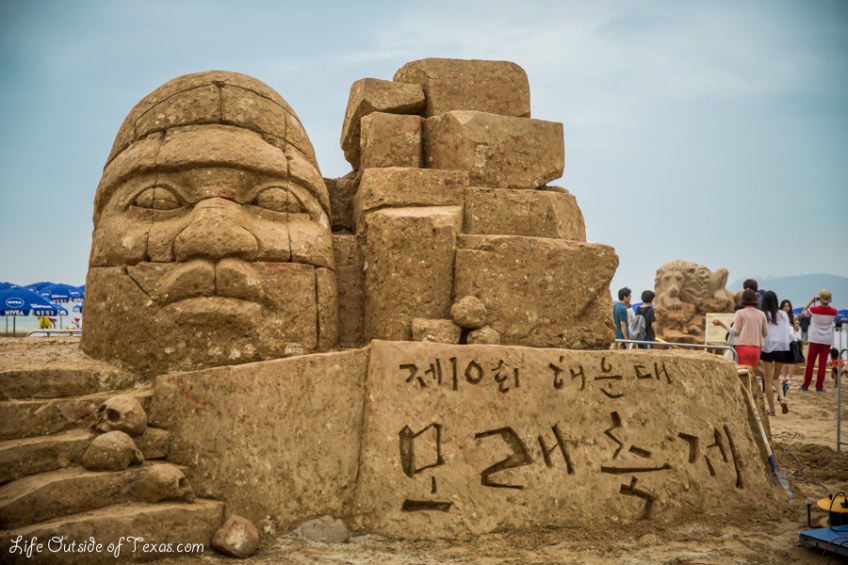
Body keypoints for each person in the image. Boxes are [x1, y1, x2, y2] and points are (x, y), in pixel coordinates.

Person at [760, 291, 792, 415]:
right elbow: (787, 333)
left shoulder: (763, 315)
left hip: (767, 348)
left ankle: (772, 410)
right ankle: (782, 399)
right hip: (782, 349)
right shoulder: (784, 314)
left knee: (768, 381)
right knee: (776, 378)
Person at [800, 290, 837, 391]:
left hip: (815, 339)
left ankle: (805, 385)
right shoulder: (834, 311)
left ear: (820, 299)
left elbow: (802, 314)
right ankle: (819, 386)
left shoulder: (813, 309)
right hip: (827, 340)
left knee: (810, 363)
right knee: (822, 364)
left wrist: (811, 301)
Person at [726, 289, 768, 370]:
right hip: (756, 348)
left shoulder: (739, 313)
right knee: (751, 373)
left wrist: (722, 325)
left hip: (742, 348)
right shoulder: (762, 314)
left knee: (742, 372)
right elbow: (765, 333)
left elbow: (736, 332)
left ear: (742, 299)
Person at [778, 299, 799, 395]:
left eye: (788, 306)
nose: (786, 308)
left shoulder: (793, 316)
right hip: (782, 340)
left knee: (791, 361)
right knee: (783, 360)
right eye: (784, 306)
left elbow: (797, 329)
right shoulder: (779, 316)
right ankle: (783, 377)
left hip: (792, 340)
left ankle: (790, 378)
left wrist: (794, 321)